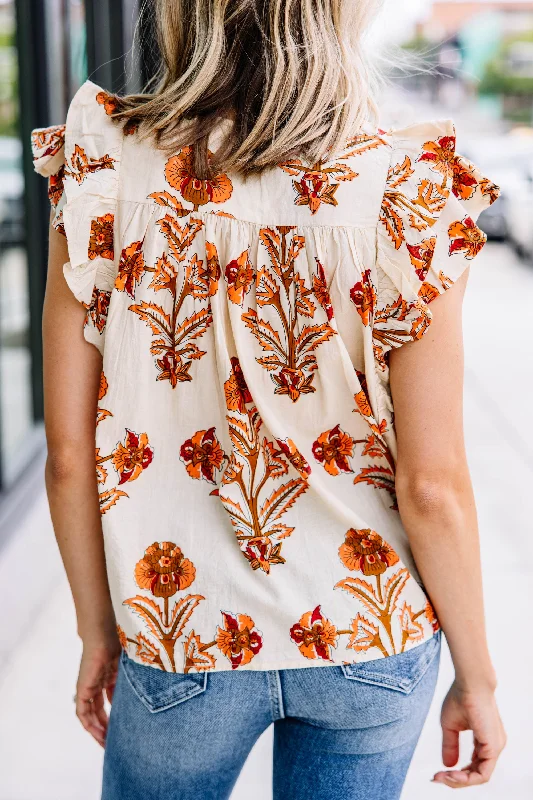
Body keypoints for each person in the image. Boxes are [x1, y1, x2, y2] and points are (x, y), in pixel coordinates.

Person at [32, 1, 506, 797]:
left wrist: (96, 631)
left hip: (182, 626)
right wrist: (478, 678)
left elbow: (70, 460)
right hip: (369, 630)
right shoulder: (408, 191)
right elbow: (432, 486)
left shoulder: (102, 169)